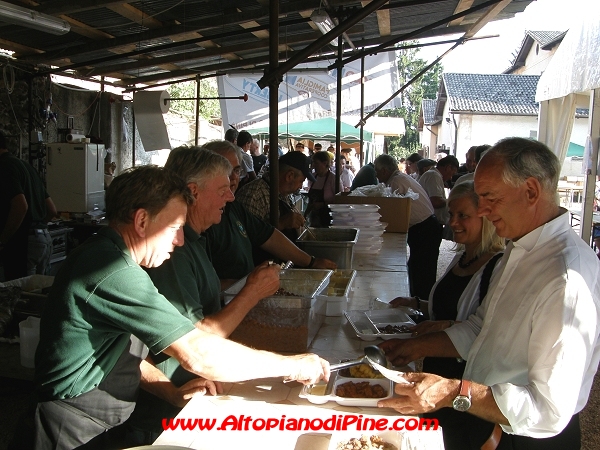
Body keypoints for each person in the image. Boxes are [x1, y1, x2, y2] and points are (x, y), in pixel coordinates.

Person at [30, 165, 329, 449]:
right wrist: (293, 365)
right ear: (141, 221)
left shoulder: (117, 258)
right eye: (175, 226)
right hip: (70, 426)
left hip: (103, 419)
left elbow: (121, 353)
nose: (180, 240)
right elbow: (197, 352)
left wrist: (169, 391)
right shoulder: (112, 271)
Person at [379, 138, 600, 449]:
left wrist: (453, 391)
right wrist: (414, 347)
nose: (482, 210)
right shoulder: (521, 247)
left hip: (526, 436)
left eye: (490, 198)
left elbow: (548, 410)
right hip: (485, 413)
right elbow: (481, 327)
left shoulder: (564, 276)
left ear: (531, 191)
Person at [126, 146, 283, 444]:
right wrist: (251, 293)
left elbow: (200, 299)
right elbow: (195, 338)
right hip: (165, 417)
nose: (232, 196)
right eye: (223, 188)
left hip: (196, 395)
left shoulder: (194, 242)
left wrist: (247, 284)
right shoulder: (170, 252)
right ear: (193, 192)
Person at [389, 181, 505, 450]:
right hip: (436, 373)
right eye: (451, 215)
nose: (453, 222)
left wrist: (447, 326)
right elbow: (447, 304)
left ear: (485, 217)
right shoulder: (462, 256)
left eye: (462, 215)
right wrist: (417, 302)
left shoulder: (498, 266)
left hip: (465, 383)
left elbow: (489, 329)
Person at [204, 141, 336, 283]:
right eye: (224, 170)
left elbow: (268, 236)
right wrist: (248, 286)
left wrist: (311, 262)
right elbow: (206, 289)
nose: (233, 178)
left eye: (236, 170)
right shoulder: (253, 194)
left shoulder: (235, 207)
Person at [374, 154, 441, 300]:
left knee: (422, 274)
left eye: (377, 171)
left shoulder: (397, 181)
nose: (376, 175)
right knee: (417, 270)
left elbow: (394, 211)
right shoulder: (398, 178)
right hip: (424, 226)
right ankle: (419, 304)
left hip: (425, 228)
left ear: (384, 170)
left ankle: (423, 309)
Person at [0, 131, 57, 280]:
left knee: (21, 295)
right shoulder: (26, 166)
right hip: (43, 239)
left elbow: (21, 206)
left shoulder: (4, 167)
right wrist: (38, 226)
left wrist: (3, 239)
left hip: (24, 243)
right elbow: (52, 209)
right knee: (38, 294)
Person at [236, 151, 314, 243]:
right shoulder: (254, 194)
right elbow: (245, 235)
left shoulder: (284, 195)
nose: (300, 187)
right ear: (290, 176)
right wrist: (282, 223)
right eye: (301, 181)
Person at [418, 155, 459, 227]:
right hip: (428, 223)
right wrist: (451, 201)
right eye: (452, 174)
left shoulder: (433, 175)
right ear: (448, 168)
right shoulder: (433, 175)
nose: (450, 178)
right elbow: (435, 201)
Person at [305, 151, 342, 227]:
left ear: (325, 163)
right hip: (314, 217)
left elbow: (340, 199)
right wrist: (305, 214)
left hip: (328, 217)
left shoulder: (333, 179)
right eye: (313, 163)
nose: (314, 165)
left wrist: (323, 204)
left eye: (316, 163)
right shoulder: (313, 177)